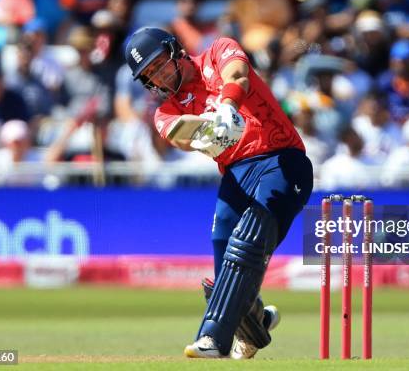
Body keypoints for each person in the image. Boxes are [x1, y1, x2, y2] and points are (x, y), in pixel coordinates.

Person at [124, 27, 313, 359]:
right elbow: (180, 137)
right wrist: (204, 133)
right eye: (150, 75)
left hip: (281, 159)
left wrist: (227, 107)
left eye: (159, 64)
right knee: (225, 259)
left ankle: (213, 338)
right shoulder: (165, 111)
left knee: (249, 239)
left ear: (175, 50)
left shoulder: (217, 51)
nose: (160, 76)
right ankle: (257, 322)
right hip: (235, 177)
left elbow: (238, 76)